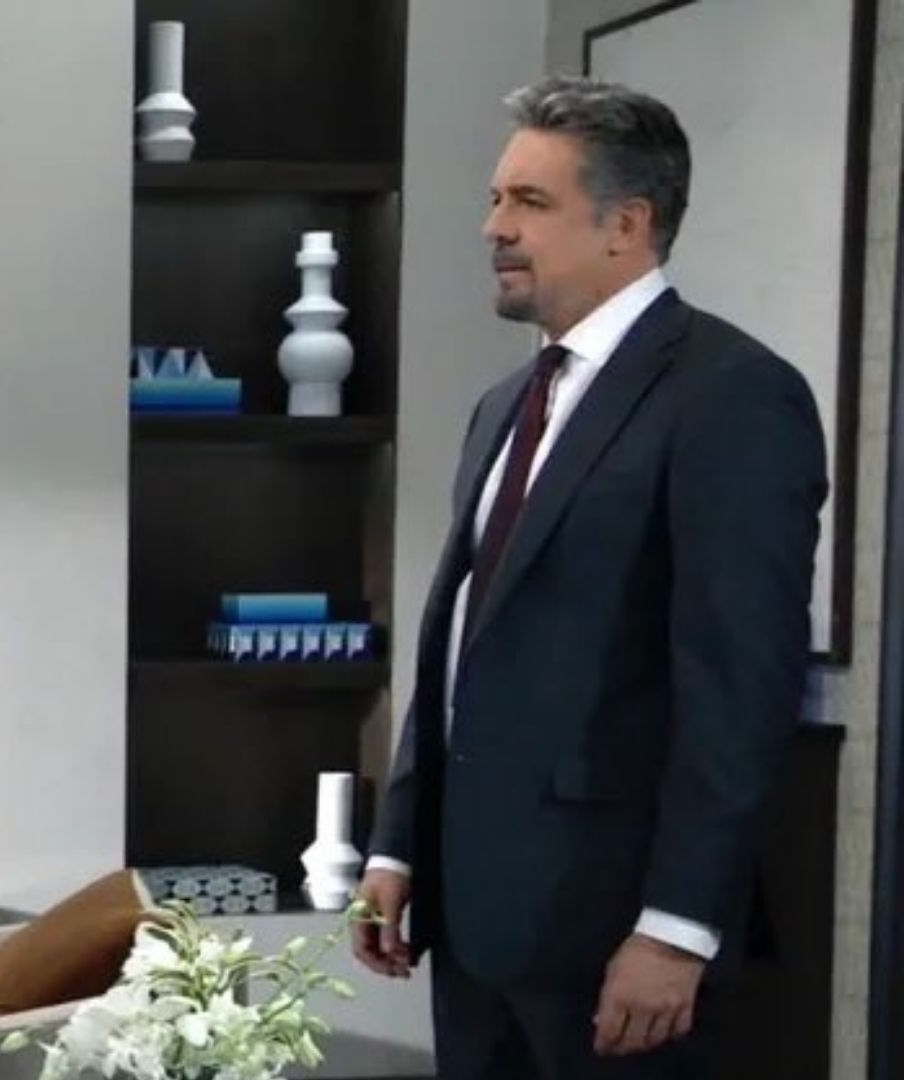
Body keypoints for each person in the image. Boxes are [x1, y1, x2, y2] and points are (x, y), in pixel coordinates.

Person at [353, 76, 826, 1079]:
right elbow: (463, 640)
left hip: (618, 944)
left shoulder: (734, 396)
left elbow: (741, 687)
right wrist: (398, 844)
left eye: (530, 202)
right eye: (496, 199)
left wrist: (678, 929)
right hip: (473, 930)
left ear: (628, 225)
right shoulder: (502, 405)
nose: (494, 227)